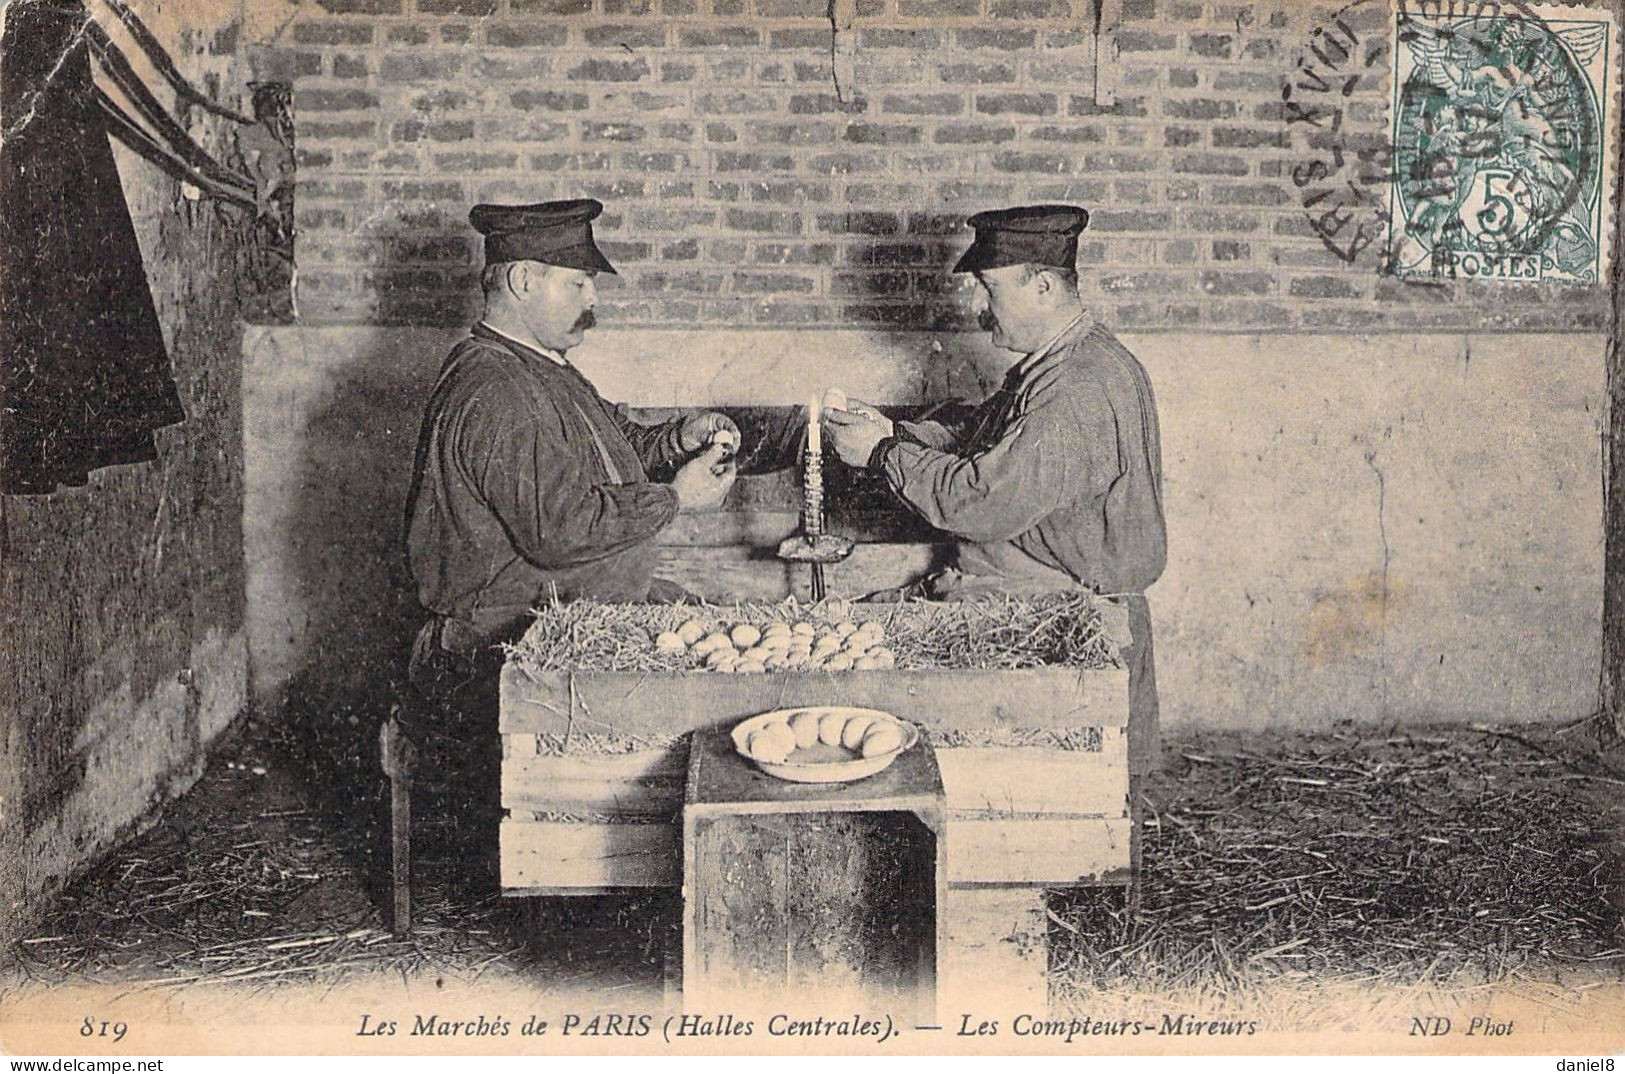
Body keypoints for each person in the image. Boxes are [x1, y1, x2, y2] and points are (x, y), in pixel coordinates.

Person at [823, 204, 1168, 775]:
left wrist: (883, 455)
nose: (979, 308)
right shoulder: (1063, 362)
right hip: (1035, 600)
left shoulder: (1075, 389)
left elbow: (982, 502)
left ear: (1042, 286)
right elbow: (981, 436)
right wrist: (891, 431)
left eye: (989, 289)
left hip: (1054, 616)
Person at [404, 197, 740, 698]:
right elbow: (561, 529)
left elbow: (612, 446)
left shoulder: (539, 366)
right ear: (521, 281)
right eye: (577, 283)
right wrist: (676, 500)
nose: (592, 301)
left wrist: (679, 441)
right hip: (506, 655)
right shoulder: (494, 387)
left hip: (568, 622)